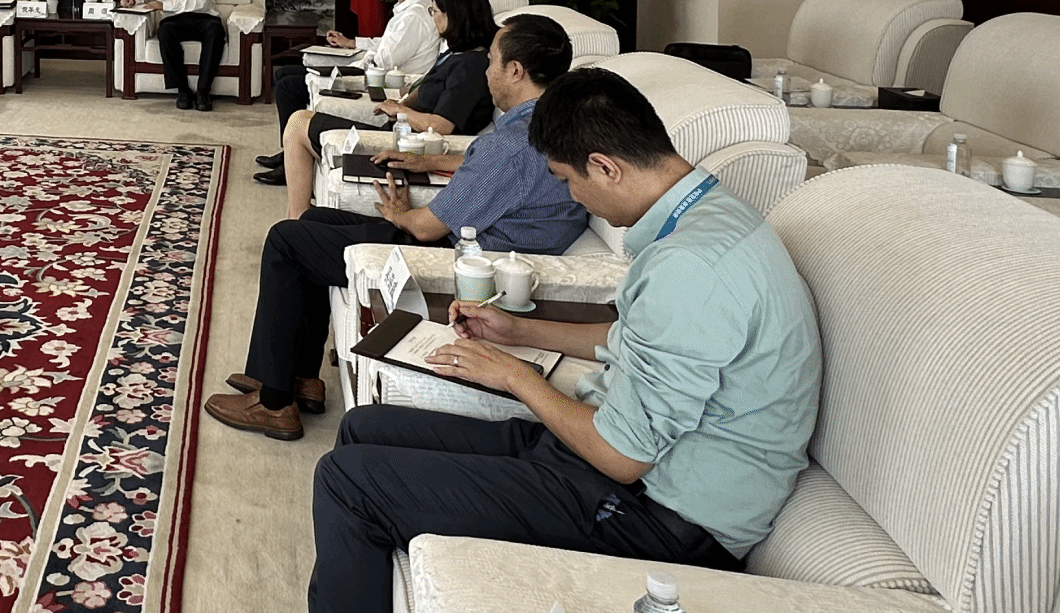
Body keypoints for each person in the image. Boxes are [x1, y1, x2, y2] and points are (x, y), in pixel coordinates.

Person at [305, 67, 822, 612]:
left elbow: (622, 457)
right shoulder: (710, 215)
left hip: (655, 516)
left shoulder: (691, 267)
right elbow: (639, 336)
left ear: (605, 167)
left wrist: (514, 376)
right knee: (364, 426)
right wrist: (519, 329)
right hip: (608, 463)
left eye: (567, 180)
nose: (572, 196)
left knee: (347, 482)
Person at [201, 13, 586, 441]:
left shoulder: (514, 145)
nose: (486, 70)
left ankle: (274, 403)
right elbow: (490, 169)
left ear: (515, 70)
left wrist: (401, 214)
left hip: (457, 260)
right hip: (474, 245)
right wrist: (429, 162)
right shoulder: (549, 122)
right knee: (313, 220)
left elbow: (426, 228)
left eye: (492, 61)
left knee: (286, 240)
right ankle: (299, 378)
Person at [258, 0, 497, 203]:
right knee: (299, 117)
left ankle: (298, 213)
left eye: (434, 11)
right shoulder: (456, 54)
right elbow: (428, 89)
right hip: (397, 133)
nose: (432, 17)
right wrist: (402, 104)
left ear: (454, 15)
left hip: (408, 146)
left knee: (299, 123)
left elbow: (442, 126)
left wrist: (400, 111)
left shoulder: (471, 68)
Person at [260, 0, 437, 168]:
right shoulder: (413, 10)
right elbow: (387, 44)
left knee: (287, 86)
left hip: (381, 82)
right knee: (285, 74)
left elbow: (382, 61)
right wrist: (352, 43)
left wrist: (348, 64)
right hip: (376, 75)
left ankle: (290, 160)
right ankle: (289, 152)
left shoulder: (413, 17)